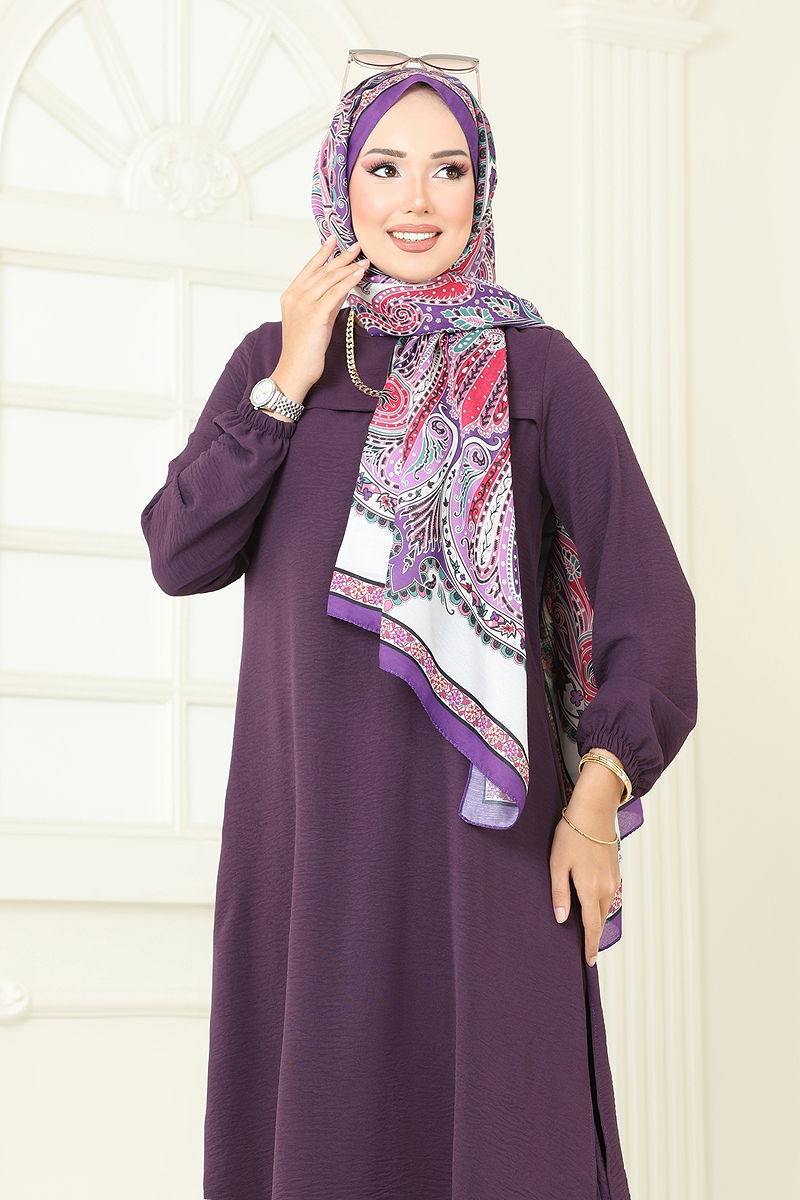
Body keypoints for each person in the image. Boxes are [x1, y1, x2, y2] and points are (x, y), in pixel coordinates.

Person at [140, 62, 697, 1200]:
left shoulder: (537, 369)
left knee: (504, 1139)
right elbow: (180, 553)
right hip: (309, 840)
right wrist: (289, 379)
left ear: (479, 190)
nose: (415, 201)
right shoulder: (273, 360)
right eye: (385, 168)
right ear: (339, 186)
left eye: (447, 171)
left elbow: (650, 605)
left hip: (482, 840)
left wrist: (595, 802)